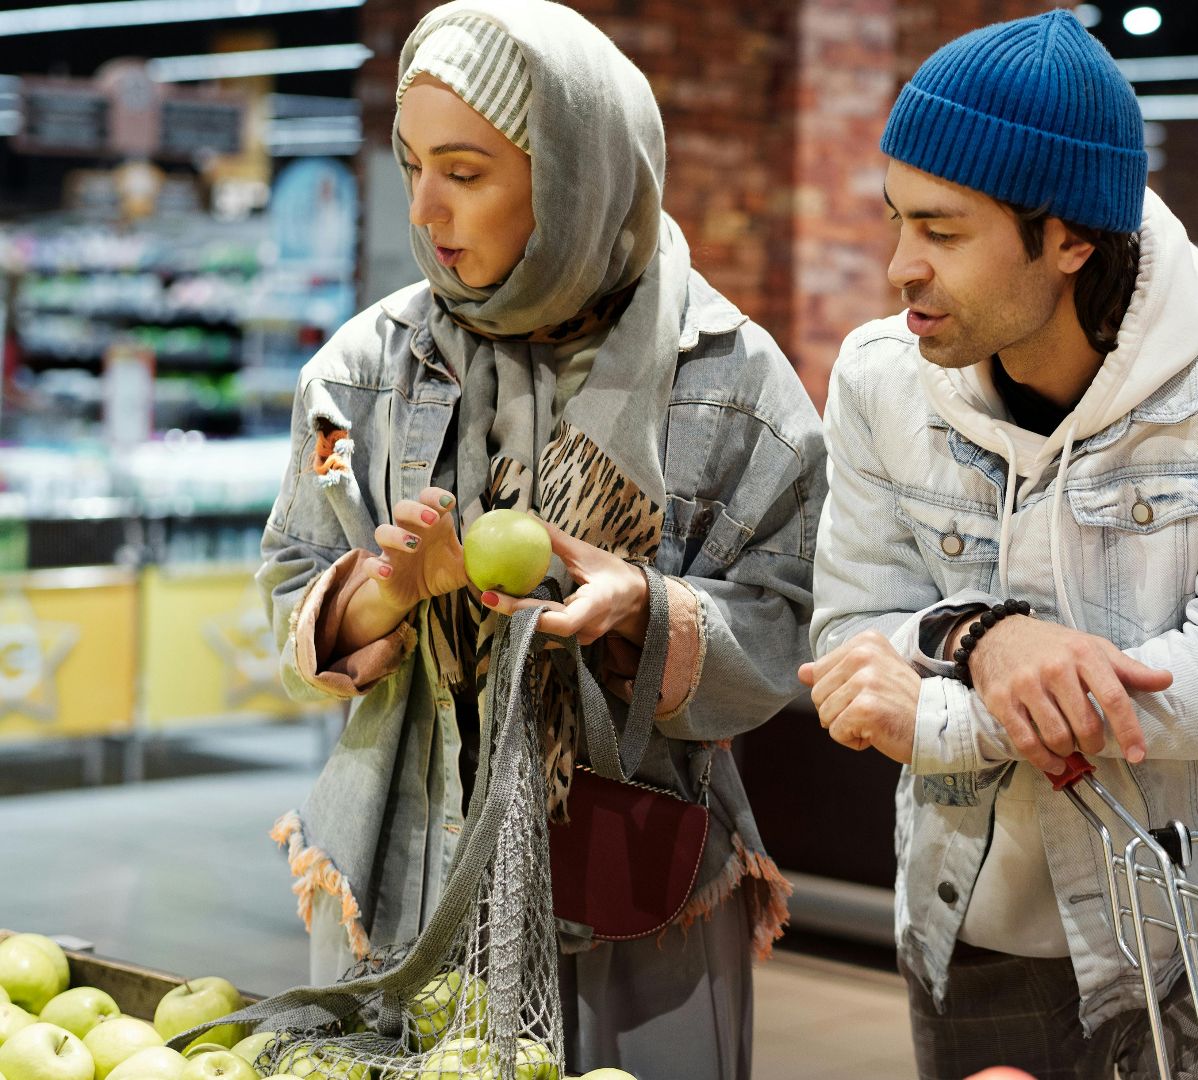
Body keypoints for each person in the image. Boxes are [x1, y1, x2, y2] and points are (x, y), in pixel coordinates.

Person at [257, 2, 823, 1075]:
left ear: (573, 174)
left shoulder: (732, 386)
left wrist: (645, 614)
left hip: (635, 893)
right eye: (413, 163)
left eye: (464, 172)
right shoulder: (355, 378)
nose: (426, 208)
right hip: (400, 883)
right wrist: (381, 595)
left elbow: (792, 624)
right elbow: (285, 580)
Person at [802, 9, 1198, 1078]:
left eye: (944, 232)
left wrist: (955, 714)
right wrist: (987, 636)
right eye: (896, 219)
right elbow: (850, 637)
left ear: (1069, 239)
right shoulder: (878, 379)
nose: (901, 267)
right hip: (972, 936)